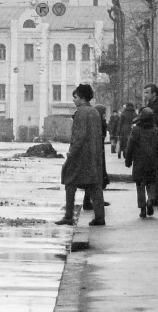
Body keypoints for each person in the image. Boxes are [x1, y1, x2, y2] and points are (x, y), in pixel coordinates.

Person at [54, 84, 107, 227]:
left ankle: (68, 216)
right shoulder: (95, 112)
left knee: (69, 181)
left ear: (83, 98)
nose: (73, 100)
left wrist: (71, 153)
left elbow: (79, 136)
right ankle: (100, 217)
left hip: (80, 155)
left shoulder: (80, 113)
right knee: (94, 186)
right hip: (94, 154)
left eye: (75, 97)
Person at [126, 106, 158, 218]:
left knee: (140, 185)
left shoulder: (136, 130)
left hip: (139, 163)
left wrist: (128, 160)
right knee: (151, 183)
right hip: (152, 162)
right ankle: (151, 200)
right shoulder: (156, 131)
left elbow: (130, 146)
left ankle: (142, 208)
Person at [82, 102, 110, 211]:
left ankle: (96, 200)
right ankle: (88, 202)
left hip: (99, 153)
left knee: (98, 178)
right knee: (93, 178)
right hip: (95, 154)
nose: (105, 115)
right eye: (104, 113)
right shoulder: (96, 124)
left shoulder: (99, 122)